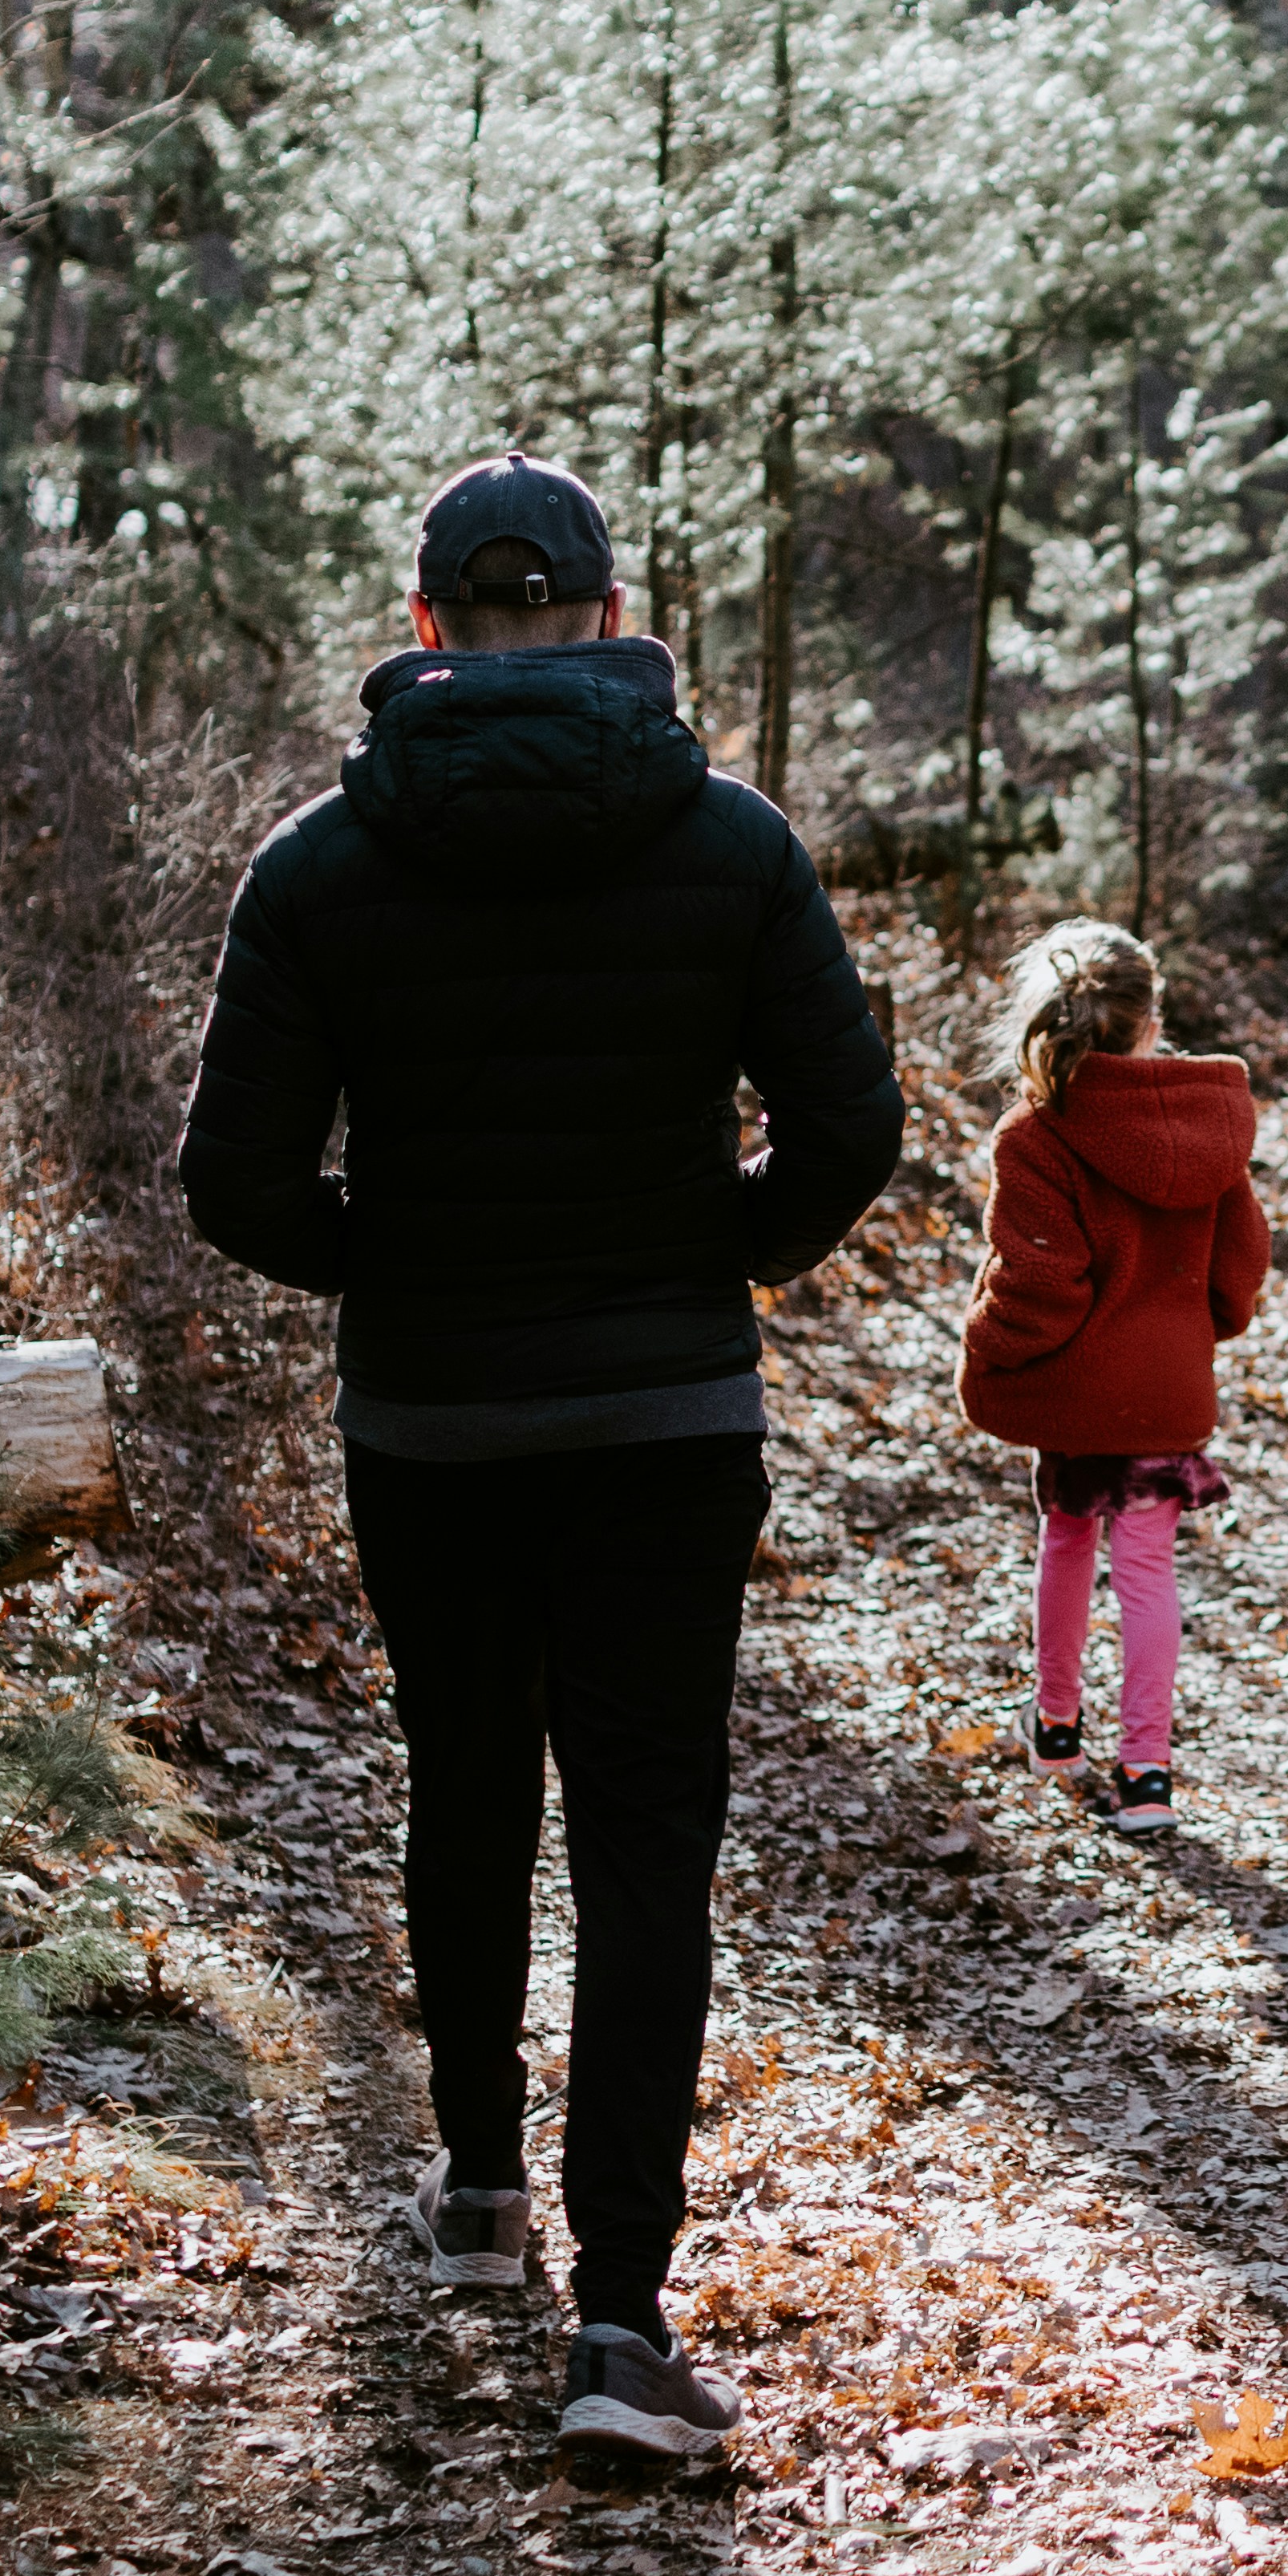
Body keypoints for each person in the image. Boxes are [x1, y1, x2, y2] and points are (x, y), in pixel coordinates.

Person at [174, 452, 901, 2460]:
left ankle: (479, 2190)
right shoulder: (728, 843)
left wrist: (392, 1273)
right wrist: (711, 1260)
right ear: (602, 618)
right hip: (667, 1419)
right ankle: (623, 2324)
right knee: (647, 1837)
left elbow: (230, 1178)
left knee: (466, 1776)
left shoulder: (320, 863)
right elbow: (851, 1132)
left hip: (433, 1418)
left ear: (425, 628)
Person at [957, 923, 1266, 1838]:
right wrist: (1190, 1332)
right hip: (1166, 1391)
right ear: (1151, 1019)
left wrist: (987, 1346)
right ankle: (1149, 1775)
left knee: (1065, 1538)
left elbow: (1039, 1288)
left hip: (1079, 1392)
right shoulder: (1211, 1123)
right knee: (1147, 1573)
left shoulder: (1037, 1133)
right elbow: (1242, 1263)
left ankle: (1056, 1727)